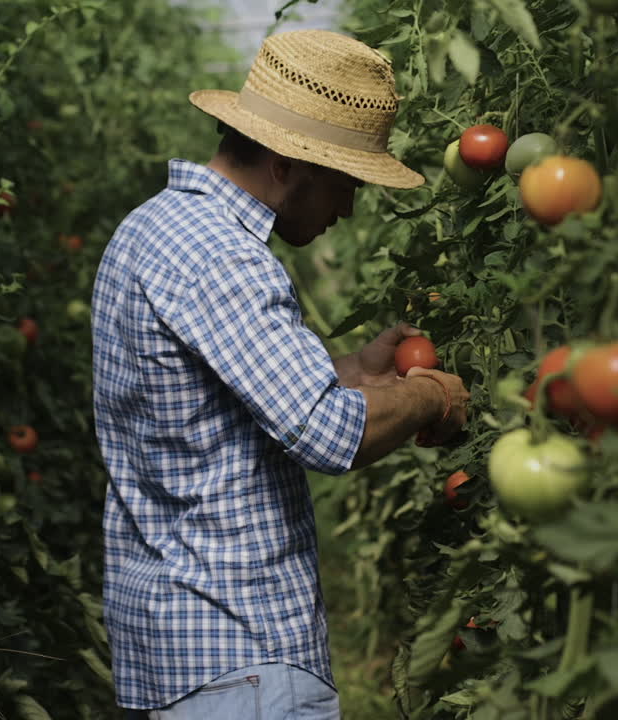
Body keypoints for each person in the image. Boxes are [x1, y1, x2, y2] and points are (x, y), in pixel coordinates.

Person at [90, 29, 470, 719]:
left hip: (180, 647)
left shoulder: (153, 227)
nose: (348, 208)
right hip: (243, 658)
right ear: (291, 164)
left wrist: (355, 368)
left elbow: (221, 395)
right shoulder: (226, 258)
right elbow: (326, 433)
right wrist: (426, 396)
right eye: (346, 182)